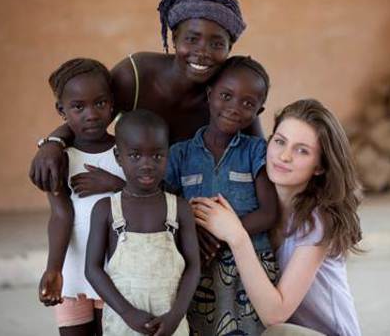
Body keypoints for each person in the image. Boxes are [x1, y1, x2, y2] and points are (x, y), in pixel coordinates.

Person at [29, 0, 260, 196]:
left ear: (229, 50)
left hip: (197, 199)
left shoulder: (229, 89)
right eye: (191, 39)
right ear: (174, 39)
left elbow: (261, 155)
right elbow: (91, 114)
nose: (202, 52)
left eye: (217, 44)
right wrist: (53, 143)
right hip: (142, 200)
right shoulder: (137, 75)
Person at [192, 99, 363, 336]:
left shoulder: (319, 220)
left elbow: (275, 313)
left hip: (318, 333)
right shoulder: (255, 201)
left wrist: (236, 236)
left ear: (320, 167)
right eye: (280, 142)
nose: (284, 156)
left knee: (277, 333)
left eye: (302, 150)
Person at [165, 56, 278, 335]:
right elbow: (164, 204)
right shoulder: (180, 154)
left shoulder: (256, 151)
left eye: (248, 103)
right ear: (209, 94)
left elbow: (269, 213)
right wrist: (191, 231)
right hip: (198, 264)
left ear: (259, 110)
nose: (234, 108)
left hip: (249, 266)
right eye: (226, 96)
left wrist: (222, 234)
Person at [85, 109, 200, 336]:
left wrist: (176, 316)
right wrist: (127, 313)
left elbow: (194, 267)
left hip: (170, 324)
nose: (147, 164)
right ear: (118, 156)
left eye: (157, 156)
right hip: (122, 324)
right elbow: (93, 269)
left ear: (168, 155)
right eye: (135, 155)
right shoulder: (107, 210)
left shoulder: (179, 209)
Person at [38, 58, 125, 336]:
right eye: (78, 107)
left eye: (100, 103)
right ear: (61, 111)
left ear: (112, 103)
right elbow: (61, 215)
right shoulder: (60, 159)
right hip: (73, 268)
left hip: (114, 271)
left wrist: (115, 183)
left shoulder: (126, 151)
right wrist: (54, 269)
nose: (91, 114)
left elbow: (149, 198)